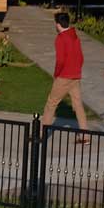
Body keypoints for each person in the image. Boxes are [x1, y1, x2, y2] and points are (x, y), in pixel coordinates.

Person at [39, 11, 91, 139]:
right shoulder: (75, 36)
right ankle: (85, 136)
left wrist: (56, 74)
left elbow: (60, 60)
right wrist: (77, 70)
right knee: (78, 105)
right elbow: (81, 57)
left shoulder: (60, 38)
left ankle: (41, 134)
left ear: (57, 24)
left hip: (64, 76)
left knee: (51, 104)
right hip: (75, 76)